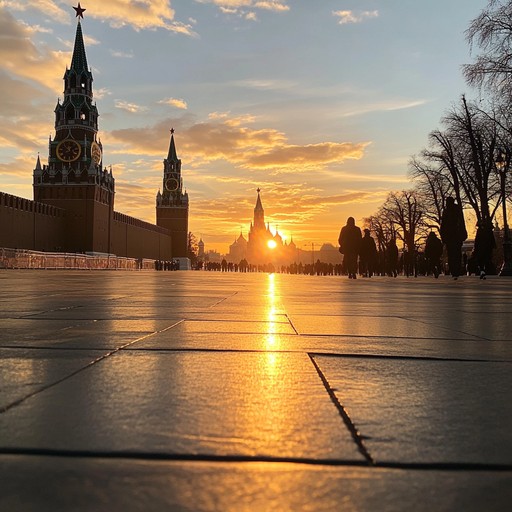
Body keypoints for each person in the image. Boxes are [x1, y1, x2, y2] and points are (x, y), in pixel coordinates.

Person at [440, 197, 467, 279]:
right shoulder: (457, 210)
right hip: (457, 236)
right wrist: (463, 233)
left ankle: (453, 270)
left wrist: (443, 236)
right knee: (457, 253)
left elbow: (443, 225)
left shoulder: (446, 211)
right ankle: (457, 270)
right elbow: (462, 222)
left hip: (449, 236)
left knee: (451, 254)